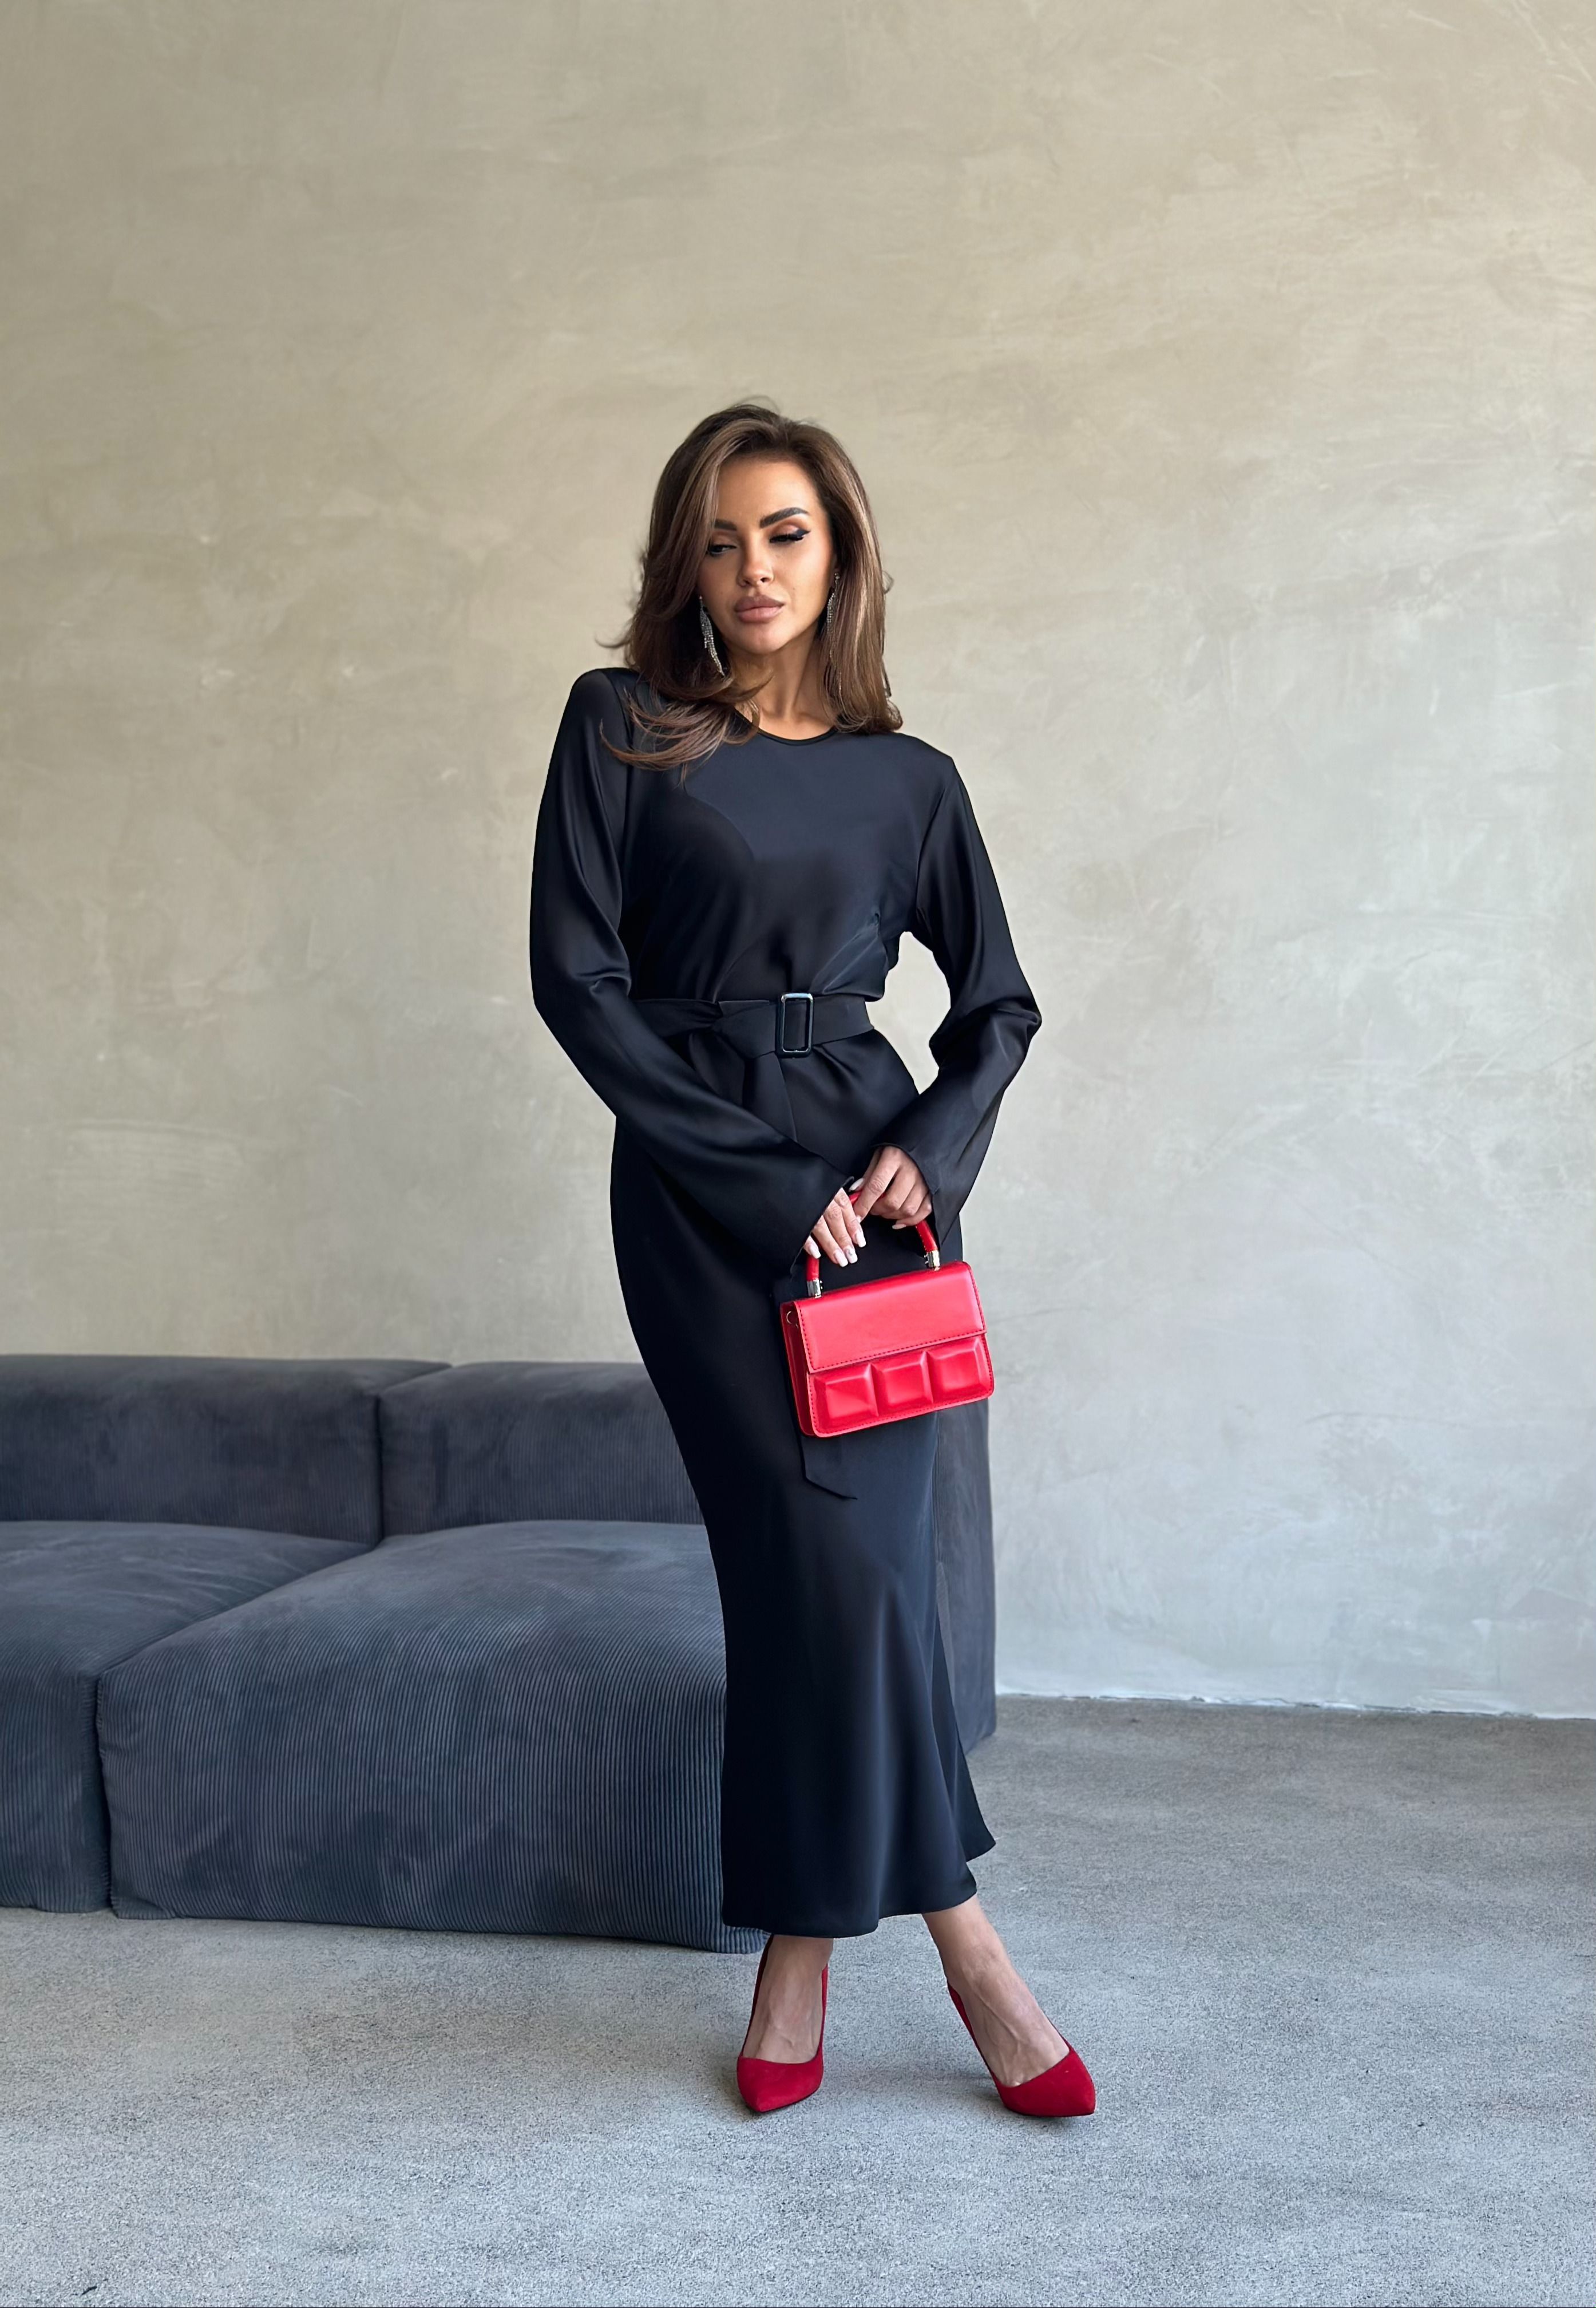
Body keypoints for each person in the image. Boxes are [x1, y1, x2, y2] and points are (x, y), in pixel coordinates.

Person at [529, 400, 1094, 2120]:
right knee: (817, 1567)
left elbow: (998, 1007)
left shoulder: (911, 781)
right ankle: (975, 1954)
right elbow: (579, 987)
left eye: (784, 534)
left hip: (875, 1190)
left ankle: (799, 1953)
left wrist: (928, 1148)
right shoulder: (622, 727)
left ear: (839, 553)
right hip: (707, 1188)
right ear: (682, 565)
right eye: (719, 540)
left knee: (855, 1580)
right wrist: (772, 1188)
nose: (754, 569)